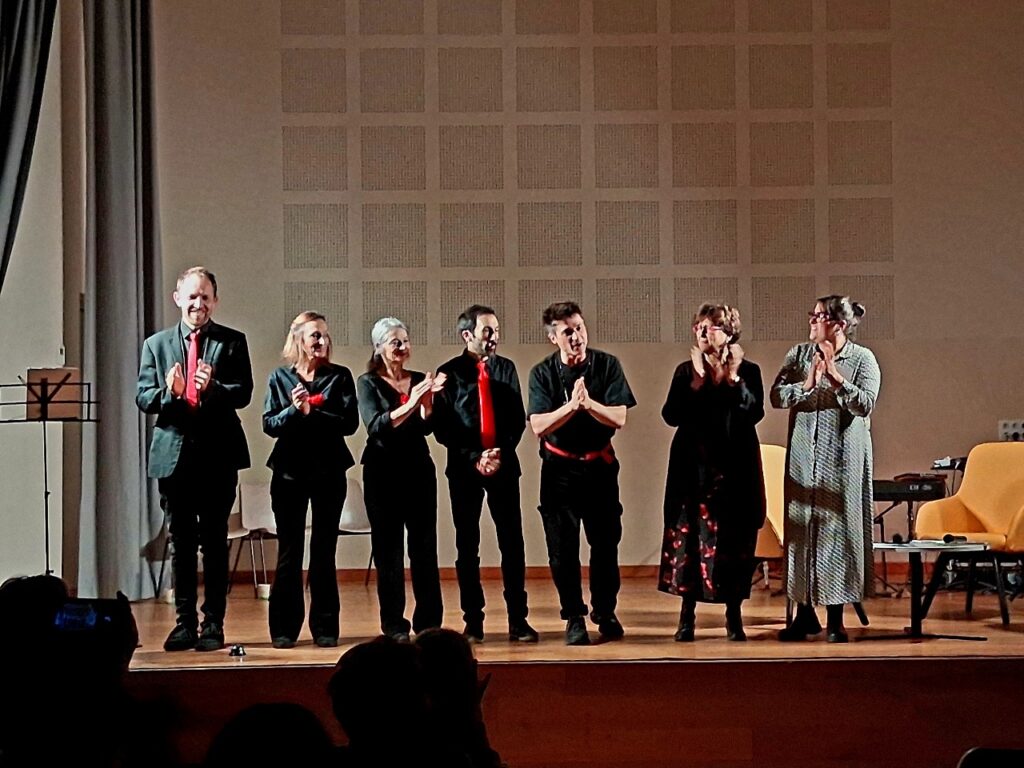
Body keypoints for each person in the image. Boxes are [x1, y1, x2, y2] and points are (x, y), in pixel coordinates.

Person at [136, 266, 253, 652]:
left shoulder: (232, 342)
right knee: (181, 544)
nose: (198, 304)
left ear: (215, 301)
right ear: (178, 299)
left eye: (205, 297)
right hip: (174, 458)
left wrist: (212, 387)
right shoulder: (156, 345)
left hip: (218, 457)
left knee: (215, 542)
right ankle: (184, 623)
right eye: (192, 296)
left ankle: (214, 623)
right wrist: (174, 392)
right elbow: (144, 398)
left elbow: (243, 393)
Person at [770, 295, 881, 643]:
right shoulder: (798, 356)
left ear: (839, 325)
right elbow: (776, 397)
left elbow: (865, 404)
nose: (812, 321)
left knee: (838, 534)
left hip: (843, 461)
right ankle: (804, 615)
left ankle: (836, 617)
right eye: (813, 315)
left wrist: (834, 377)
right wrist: (806, 384)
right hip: (804, 459)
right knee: (802, 535)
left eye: (820, 316)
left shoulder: (863, 359)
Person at [527, 301, 636, 645]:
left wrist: (589, 405)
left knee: (605, 543)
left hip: (600, 468)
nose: (576, 336)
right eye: (567, 332)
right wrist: (572, 406)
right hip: (558, 470)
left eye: (579, 327)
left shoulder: (606, 365)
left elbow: (619, 417)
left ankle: (604, 610)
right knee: (562, 548)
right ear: (553, 339)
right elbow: (538, 425)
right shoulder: (542, 373)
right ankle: (574, 616)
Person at [658, 304, 766, 641]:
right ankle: (686, 617)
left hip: (735, 474)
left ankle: (734, 617)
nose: (704, 333)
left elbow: (754, 412)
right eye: (700, 327)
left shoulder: (748, 370)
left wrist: (732, 380)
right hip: (694, 473)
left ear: (729, 332)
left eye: (712, 327)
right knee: (691, 544)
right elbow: (671, 415)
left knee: (735, 545)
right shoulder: (684, 371)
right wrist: (698, 379)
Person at [433, 305, 537, 644]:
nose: (494, 337)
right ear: (468, 336)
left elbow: (516, 419)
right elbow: (443, 428)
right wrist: (476, 457)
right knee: (468, 545)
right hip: (464, 470)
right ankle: (473, 621)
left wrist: (498, 454)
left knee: (512, 542)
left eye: (495, 330)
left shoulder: (506, 369)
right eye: (487, 331)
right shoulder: (447, 373)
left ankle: (518, 621)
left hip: (503, 466)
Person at [262, 311, 359, 648]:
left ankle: (325, 628)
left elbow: (348, 423)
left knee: (323, 550)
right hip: (289, 473)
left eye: (325, 336)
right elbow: (269, 423)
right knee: (289, 551)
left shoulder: (340, 377)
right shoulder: (280, 378)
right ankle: (284, 630)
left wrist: (311, 413)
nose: (322, 342)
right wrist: (293, 411)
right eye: (315, 336)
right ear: (299, 340)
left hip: (329, 471)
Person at [356, 317, 446, 641]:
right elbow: (378, 424)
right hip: (382, 473)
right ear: (379, 347)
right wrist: (412, 400)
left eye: (405, 340)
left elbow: (426, 427)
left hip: (419, 470)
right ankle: (394, 625)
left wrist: (426, 403)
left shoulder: (419, 378)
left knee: (424, 549)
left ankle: (429, 623)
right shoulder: (367, 382)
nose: (402, 347)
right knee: (388, 552)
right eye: (394, 341)